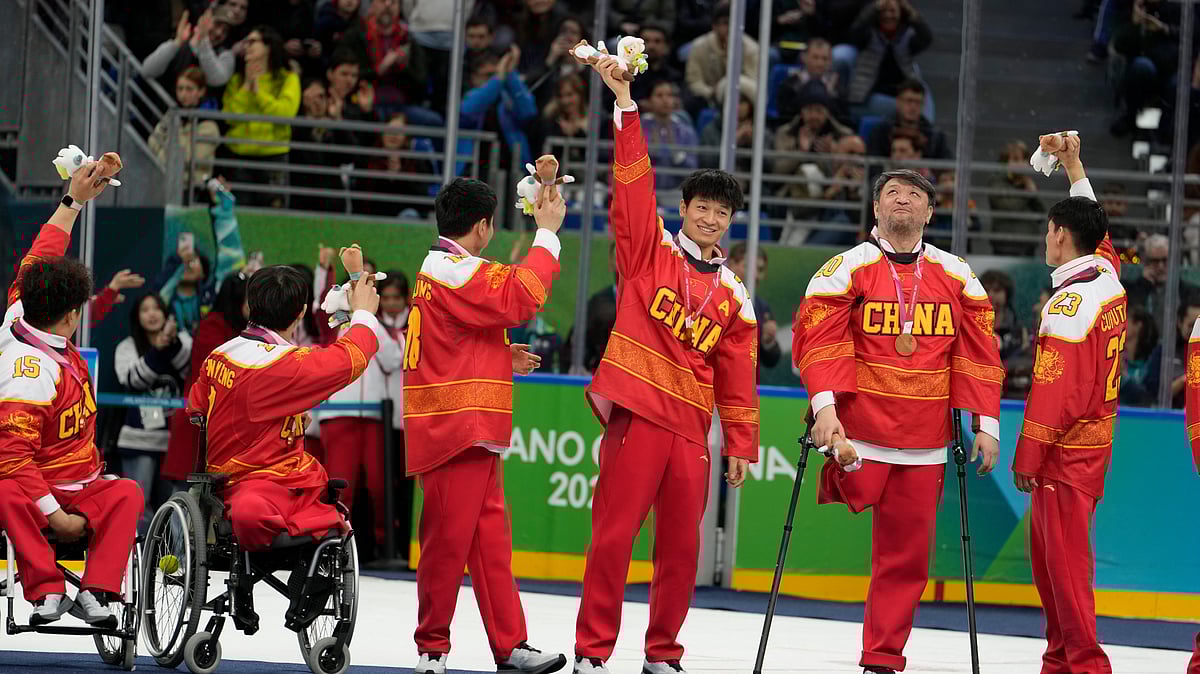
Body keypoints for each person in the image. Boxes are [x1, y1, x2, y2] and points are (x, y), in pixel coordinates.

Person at [572, 54, 759, 674]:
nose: (711, 218)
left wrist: (739, 441)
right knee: (613, 538)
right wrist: (626, 107)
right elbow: (632, 190)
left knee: (680, 551)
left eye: (722, 212)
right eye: (702, 207)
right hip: (638, 417)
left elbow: (737, 372)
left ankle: (663, 654)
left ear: (730, 222)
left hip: (691, 430)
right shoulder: (647, 250)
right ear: (685, 209)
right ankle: (594, 652)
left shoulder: (734, 293)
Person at [791, 168, 1004, 674]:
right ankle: (836, 453)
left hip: (926, 441)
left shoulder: (958, 275)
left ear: (931, 212)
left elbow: (980, 351)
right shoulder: (845, 268)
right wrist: (825, 408)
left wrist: (987, 425)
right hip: (862, 428)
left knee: (906, 562)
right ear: (876, 209)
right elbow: (819, 342)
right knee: (854, 496)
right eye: (892, 193)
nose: (903, 200)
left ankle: (881, 660)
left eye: (915, 195)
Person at [404, 178, 567, 674]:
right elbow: (522, 296)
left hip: (467, 425)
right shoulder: (452, 268)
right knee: (446, 545)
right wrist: (547, 234)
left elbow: (452, 335)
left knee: (488, 545)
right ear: (483, 226)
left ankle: (510, 645)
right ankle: (432, 646)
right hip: (457, 427)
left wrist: (500, 352)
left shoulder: (443, 269)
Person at [185, 264, 383, 628]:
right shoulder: (285, 365)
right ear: (301, 312)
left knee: (267, 512)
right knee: (331, 519)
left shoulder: (220, 354)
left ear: (250, 306)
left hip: (223, 485)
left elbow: (196, 408)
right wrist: (365, 314)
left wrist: (278, 415)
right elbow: (351, 359)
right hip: (269, 485)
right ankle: (307, 576)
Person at [0, 163, 142, 626]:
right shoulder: (29, 371)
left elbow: (45, 250)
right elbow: (13, 458)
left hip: (82, 481)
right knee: (4, 491)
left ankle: (97, 592)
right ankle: (45, 589)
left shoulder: (23, 307)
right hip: (34, 485)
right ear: (69, 317)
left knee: (128, 494)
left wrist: (74, 199)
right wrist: (56, 517)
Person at [1013, 133, 1123, 674]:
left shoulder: (1069, 303)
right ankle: (1059, 660)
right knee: (1056, 568)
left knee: (1064, 571)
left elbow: (1055, 393)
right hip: (1092, 447)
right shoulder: (1106, 277)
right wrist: (1075, 165)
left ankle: (1084, 665)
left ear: (1057, 235)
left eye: (1049, 228)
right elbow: (1096, 228)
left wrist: (1028, 456)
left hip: (1062, 452)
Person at [113, 294, 192, 530]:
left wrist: (171, 342)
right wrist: (157, 350)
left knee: (176, 506)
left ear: (167, 314)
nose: (152, 313)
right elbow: (132, 381)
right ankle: (140, 558)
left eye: (157, 308)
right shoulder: (126, 347)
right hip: (139, 440)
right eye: (145, 309)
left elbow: (187, 369)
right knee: (139, 505)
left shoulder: (184, 341)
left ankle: (172, 557)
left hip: (174, 442)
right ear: (137, 317)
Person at [162, 273, 250, 483]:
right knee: (185, 493)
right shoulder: (212, 327)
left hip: (221, 423)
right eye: (250, 300)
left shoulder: (238, 329)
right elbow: (224, 371)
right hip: (198, 420)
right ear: (236, 301)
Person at [220, 25, 301, 208]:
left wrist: (259, 93)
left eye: (253, 42)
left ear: (268, 47)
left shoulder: (288, 78)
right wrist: (246, 87)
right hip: (239, 156)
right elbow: (229, 117)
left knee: (272, 215)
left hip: (273, 156)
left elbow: (285, 113)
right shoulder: (237, 80)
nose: (246, 46)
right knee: (239, 214)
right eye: (246, 42)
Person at [149, 67, 222, 193]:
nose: (183, 94)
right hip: (164, 184)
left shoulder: (209, 126)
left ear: (201, 91)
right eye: (180, 89)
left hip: (192, 191)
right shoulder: (171, 116)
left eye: (189, 89)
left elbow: (187, 158)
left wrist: (164, 149)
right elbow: (152, 144)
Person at [684, 1, 760, 106]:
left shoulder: (751, 48)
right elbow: (694, 82)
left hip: (741, 101)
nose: (731, 28)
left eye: (735, 23)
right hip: (708, 99)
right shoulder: (699, 46)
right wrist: (711, 92)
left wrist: (730, 56)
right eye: (726, 23)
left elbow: (752, 84)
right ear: (714, 26)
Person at [727, 242, 781, 373]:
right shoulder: (714, 297)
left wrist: (768, 342)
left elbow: (771, 360)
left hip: (745, 386)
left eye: (760, 270)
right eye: (748, 267)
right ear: (731, 264)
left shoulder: (761, 306)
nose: (755, 276)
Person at [986, 140, 1045, 257]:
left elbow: (1041, 214)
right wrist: (1027, 193)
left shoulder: (1026, 182)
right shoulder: (996, 182)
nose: (1021, 164)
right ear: (1005, 162)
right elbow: (1008, 207)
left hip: (1028, 248)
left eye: (1024, 160)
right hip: (1005, 247)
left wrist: (1032, 193)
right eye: (1016, 160)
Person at [641, 80, 700, 191]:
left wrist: (678, 156)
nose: (665, 100)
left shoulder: (686, 131)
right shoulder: (637, 129)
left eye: (669, 95)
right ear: (649, 101)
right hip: (643, 190)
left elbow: (692, 169)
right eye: (659, 95)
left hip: (675, 192)